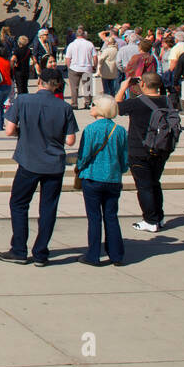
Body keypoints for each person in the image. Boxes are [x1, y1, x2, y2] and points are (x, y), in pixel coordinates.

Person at [0, 68, 78, 266]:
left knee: (19, 204)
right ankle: (41, 252)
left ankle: (19, 250)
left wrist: (23, 130)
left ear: (39, 81)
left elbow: (9, 130)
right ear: (58, 84)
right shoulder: (64, 107)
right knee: (48, 208)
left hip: (29, 161)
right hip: (54, 164)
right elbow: (70, 140)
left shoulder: (23, 100)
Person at [114, 72, 179, 233]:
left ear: (142, 84)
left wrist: (123, 87)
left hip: (139, 150)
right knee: (155, 183)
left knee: (144, 186)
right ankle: (159, 217)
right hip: (162, 148)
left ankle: (150, 220)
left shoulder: (137, 103)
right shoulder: (167, 100)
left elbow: (116, 107)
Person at [74, 95, 130, 266]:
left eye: (93, 105)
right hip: (112, 178)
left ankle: (93, 254)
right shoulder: (120, 131)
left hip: (92, 176)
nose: (91, 107)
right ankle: (116, 255)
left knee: (94, 217)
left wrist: (79, 167)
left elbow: (84, 155)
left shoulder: (91, 130)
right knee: (111, 216)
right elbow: (124, 158)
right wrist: (120, 169)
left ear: (100, 109)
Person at [64, 27, 97, 110]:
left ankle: (74, 104)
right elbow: (95, 56)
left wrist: (69, 67)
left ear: (76, 35)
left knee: (74, 87)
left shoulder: (71, 45)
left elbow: (68, 58)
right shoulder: (89, 44)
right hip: (86, 67)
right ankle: (88, 103)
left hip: (74, 67)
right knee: (87, 86)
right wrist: (94, 66)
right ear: (84, 35)